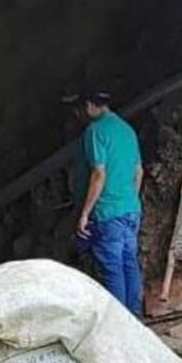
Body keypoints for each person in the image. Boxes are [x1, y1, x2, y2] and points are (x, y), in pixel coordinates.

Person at [74, 91, 144, 316]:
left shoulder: (95, 131)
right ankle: (134, 319)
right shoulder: (127, 130)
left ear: (88, 106)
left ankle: (119, 324)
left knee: (112, 268)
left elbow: (98, 174)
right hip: (131, 209)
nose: (78, 115)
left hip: (107, 212)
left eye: (78, 110)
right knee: (129, 263)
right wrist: (129, 199)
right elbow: (138, 171)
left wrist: (85, 213)